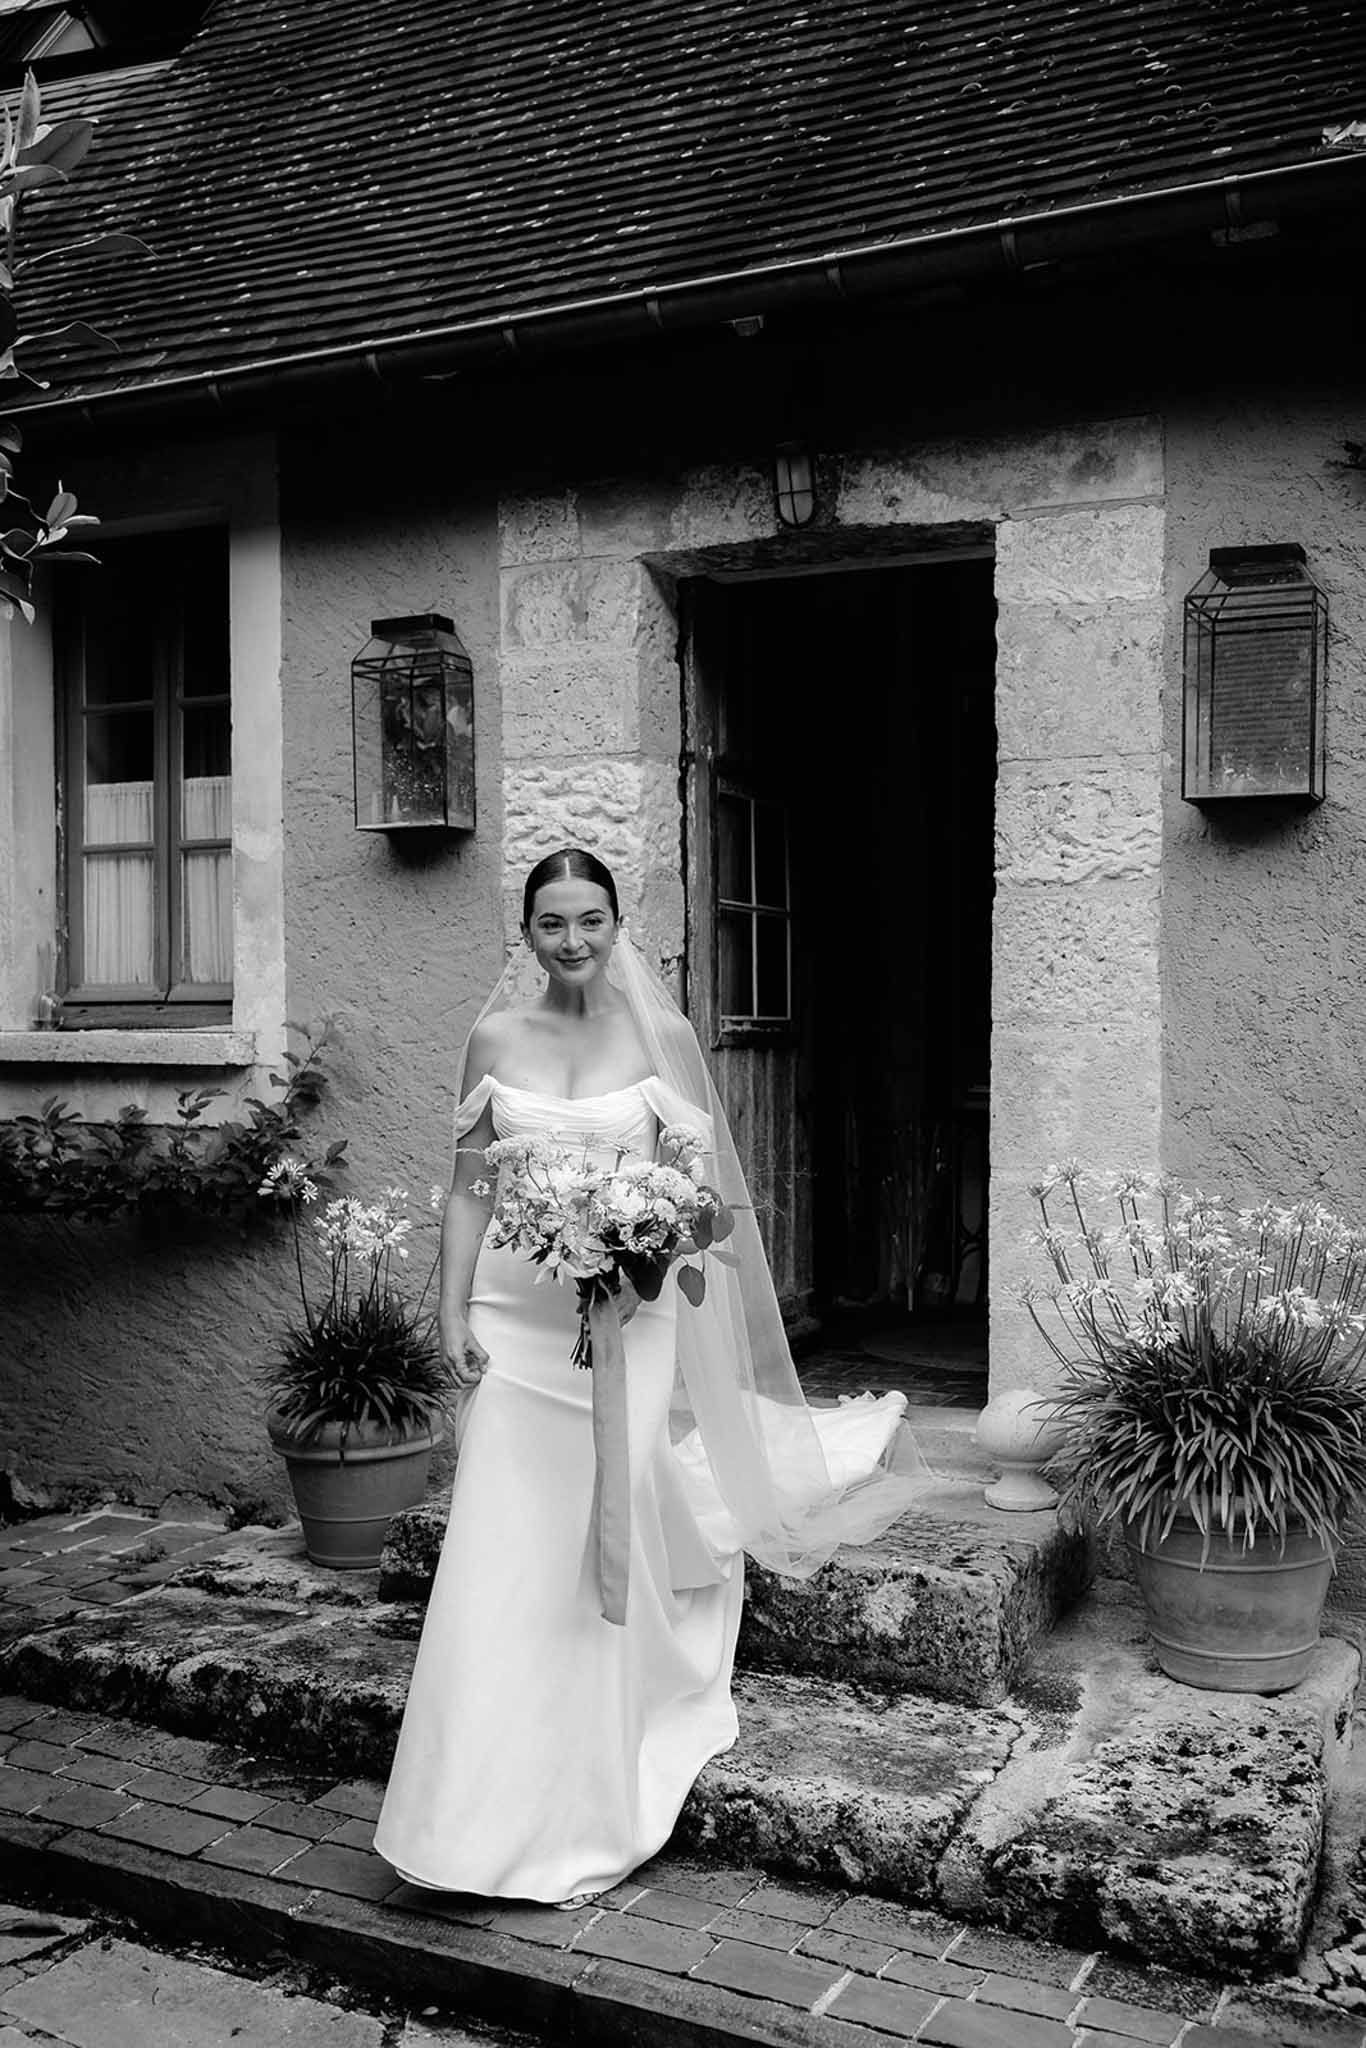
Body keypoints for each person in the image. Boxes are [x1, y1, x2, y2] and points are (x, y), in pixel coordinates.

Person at [373, 847, 921, 1906]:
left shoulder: (660, 1039)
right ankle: (465, 1805)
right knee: (501, 1534)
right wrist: (445, 1308)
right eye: (549, 924)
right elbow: (468, 1187)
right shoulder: (493, 1037)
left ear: (618, 922)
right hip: (515, 1324)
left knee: (601, 1519)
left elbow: (706, 1204)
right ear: (523, 934)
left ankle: (588, 1776)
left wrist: (640, 1239)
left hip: (631, 1316)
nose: (571, 941)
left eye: (588, 920)